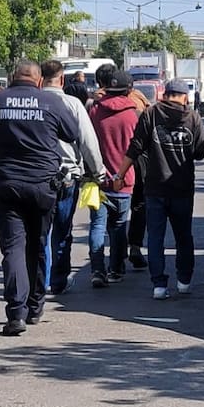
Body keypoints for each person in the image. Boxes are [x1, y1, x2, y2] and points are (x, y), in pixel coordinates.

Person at [0, 60, 80, 336]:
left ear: (12, 78)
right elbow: (71, 133)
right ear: (38, 81)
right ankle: (35, 307)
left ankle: (16, 314)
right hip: (43, 186)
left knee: (13, 248)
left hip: (7, 185)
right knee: (38, 244)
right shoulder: (51, 102)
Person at [113, 79, 204, 300]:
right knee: (183, 236)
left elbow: (135, 147)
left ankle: (159, 285)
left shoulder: (151, 114)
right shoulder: (193, 117)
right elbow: (200, 151)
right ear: (184, 97)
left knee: (155, 237)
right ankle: (184, 280)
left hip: (154, 186)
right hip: (182, 187)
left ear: (165, 94)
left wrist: (119, 175)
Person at [40, 60, 105, 295]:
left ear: (40, 79)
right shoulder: (72, 104)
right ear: (62, 80)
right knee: (62, 231)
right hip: (67, 176)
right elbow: (88, 142)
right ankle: (57, 281)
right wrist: (98, 173)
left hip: (38, 177)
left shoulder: (33, 103)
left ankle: (42, 279)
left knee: (41, 232)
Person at [86, 69, 140, 288]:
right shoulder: (133, 114)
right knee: (118, 226)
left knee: (97, 225)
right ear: (128, 90)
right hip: (124, 180)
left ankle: (97, 270)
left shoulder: (95, 111)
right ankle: (116, 269)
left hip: (97, 179)